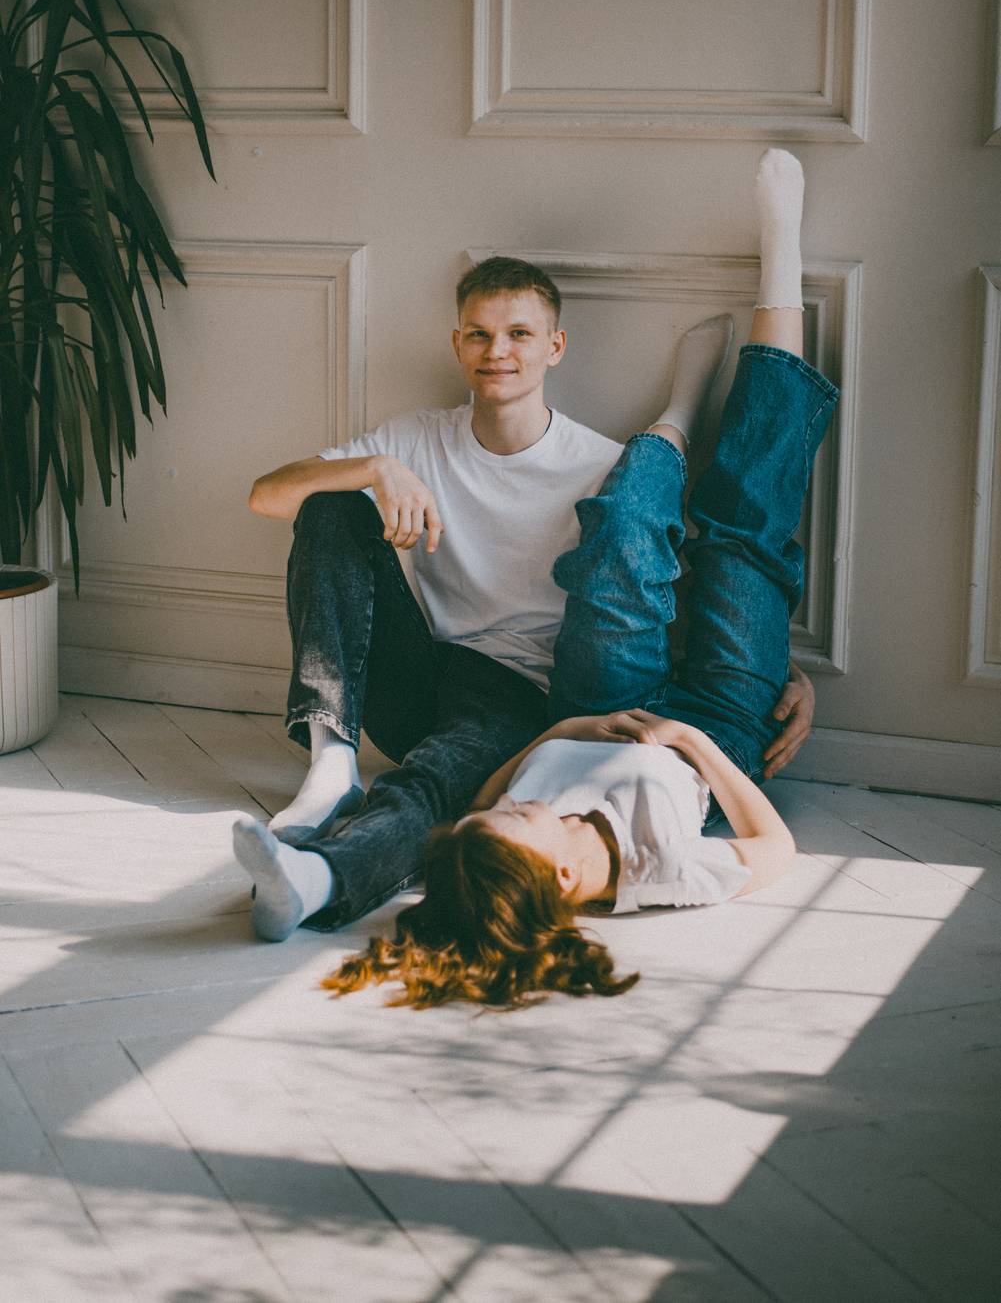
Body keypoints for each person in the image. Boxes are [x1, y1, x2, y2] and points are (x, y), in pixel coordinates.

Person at [234, 151, 819, 947]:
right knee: (329, 503)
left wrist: (781, 671)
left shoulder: (598, 465)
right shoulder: (414, 438)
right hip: (426, 676)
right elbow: (266, 495)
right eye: (478, 334)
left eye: (517, 334)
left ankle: (320, 880)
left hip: (528, 696)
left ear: (555, 347)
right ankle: (330, 762)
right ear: (456, 343)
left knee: (435, 783)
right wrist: (370, 469)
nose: (496, 351)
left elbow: (664, 585)